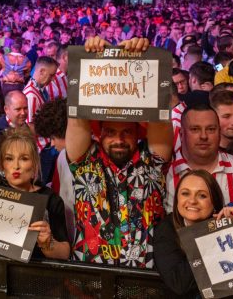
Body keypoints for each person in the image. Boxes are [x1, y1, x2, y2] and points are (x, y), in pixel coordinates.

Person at [63, 36, 172, 267]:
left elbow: (160, 118)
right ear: (99, 134)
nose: (119, 139)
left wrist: (143, 55)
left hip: (145, 282)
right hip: (90, 281)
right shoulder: (85, 162)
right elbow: (76, 119)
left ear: (138, 134)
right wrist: (90, 58)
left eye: (127, 132)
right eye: (110, 131)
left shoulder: (152, 163)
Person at [0, 62, 70, 260]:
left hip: (36, 282)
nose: (16, 166)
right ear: (1, 164)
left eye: (24, 159)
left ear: (34, 163)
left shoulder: (51, 200)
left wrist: (47, 243)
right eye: (9, 159)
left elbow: (65, 251)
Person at [154, 170, 233, 297]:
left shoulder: (225, 224)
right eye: (185, 193)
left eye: (202, 196)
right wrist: (212, 236)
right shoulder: (166, 229)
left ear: (214, 202)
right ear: (177, 199)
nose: (192, 201)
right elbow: (179, 284)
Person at [165, 105, 233, 213]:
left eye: (210, 129)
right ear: (181, 134)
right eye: (195, 129)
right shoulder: (168, 172)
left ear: (219, 132)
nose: (203, 136)